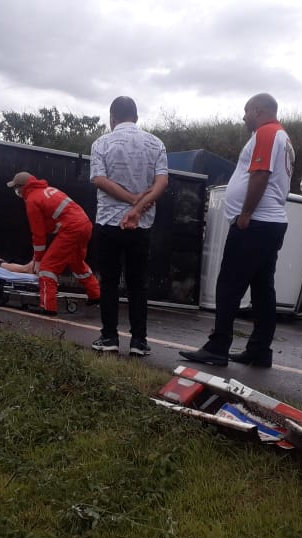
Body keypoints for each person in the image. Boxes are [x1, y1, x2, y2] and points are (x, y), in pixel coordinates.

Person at [180, 93, 294, 368]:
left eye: (246, 112)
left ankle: (218, 346)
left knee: (229, 284)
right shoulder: (283, 137)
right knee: (262, 288)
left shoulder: (267, 133)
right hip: (271, 223)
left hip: (256, 223)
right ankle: (259, 350)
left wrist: (245, 214)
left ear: (258, 110)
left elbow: (260, 175)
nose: (243, 117)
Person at [88, 96, 168, 355]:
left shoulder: (101, 143)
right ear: (136, 117)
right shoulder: (156, 143)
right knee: (138, 283)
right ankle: (139, 342)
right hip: (141, 224)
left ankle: (109, 338)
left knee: (109, 281)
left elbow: (99, 179)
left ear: (112, 118)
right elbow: (161, 184)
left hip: (108, 222)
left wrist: (129, 200)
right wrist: (138, 205)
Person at [8, 171, 100, 316]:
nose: (16, 191)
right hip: (85, 225)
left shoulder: (32, 200)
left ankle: (48, 307)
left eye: (16, 187)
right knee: (77, 262)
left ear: (22, 187)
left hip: (72, 229)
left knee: (47, 268)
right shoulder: (47, 190)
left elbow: (38, 235)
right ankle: (96, 294)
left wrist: (38, 260)